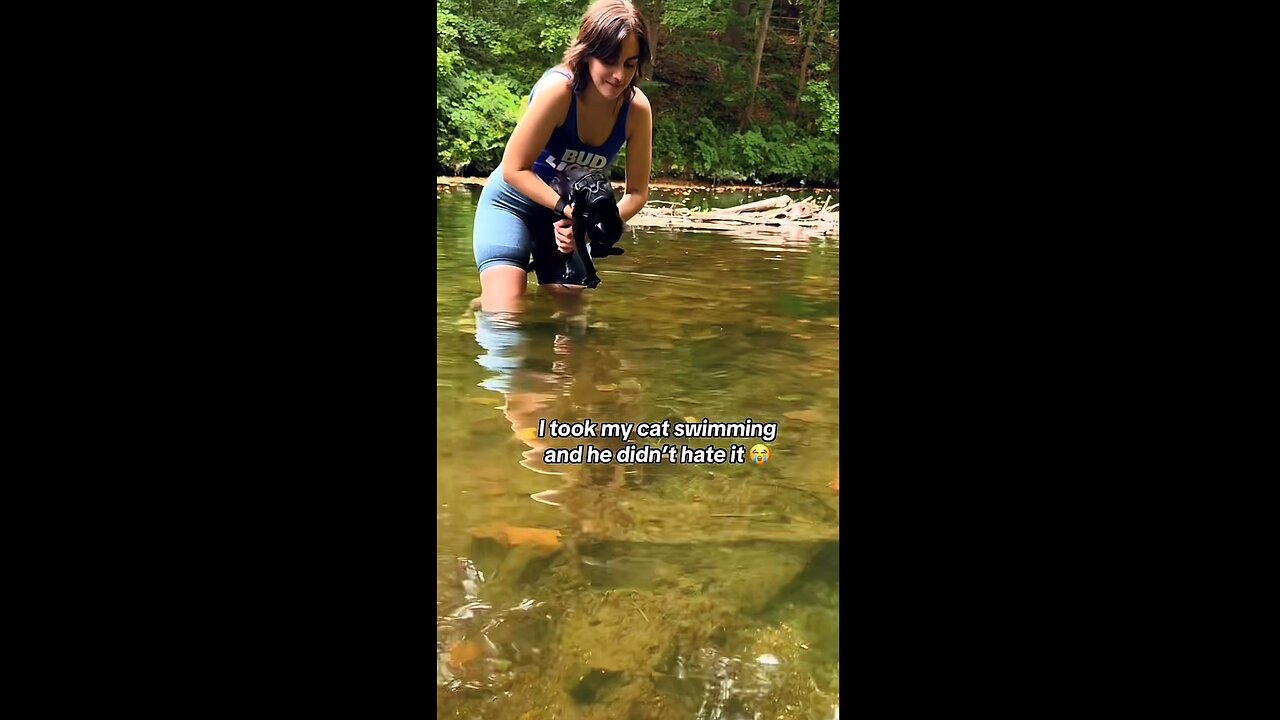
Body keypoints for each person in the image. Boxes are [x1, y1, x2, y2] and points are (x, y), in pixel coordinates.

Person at [472, 0, 653, 314]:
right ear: (588, 52)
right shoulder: (559, 92)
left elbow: (637, 193)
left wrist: (592, 225)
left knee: (571, 319)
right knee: (506, 314)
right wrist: (567, 208)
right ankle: (486, 303)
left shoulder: (637, 110)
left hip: (567, 219)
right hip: (511, 204)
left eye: (630, 64)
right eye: (610, 61)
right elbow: (515, 168)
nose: (618, 75)